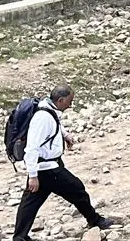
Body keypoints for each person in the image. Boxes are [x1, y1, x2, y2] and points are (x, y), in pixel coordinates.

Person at [13, 86, 114, 241]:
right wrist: (32, 175)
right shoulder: (42, 118)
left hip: (44, 168)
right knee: (77, 189)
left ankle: (19, 237)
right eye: (69, 101)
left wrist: (65, 135)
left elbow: (55, 124)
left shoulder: (48, 109)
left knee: (29, 203)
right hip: (49, 169)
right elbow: (31, 148)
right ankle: (95, 220)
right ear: (60, 100)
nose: (70, 105)